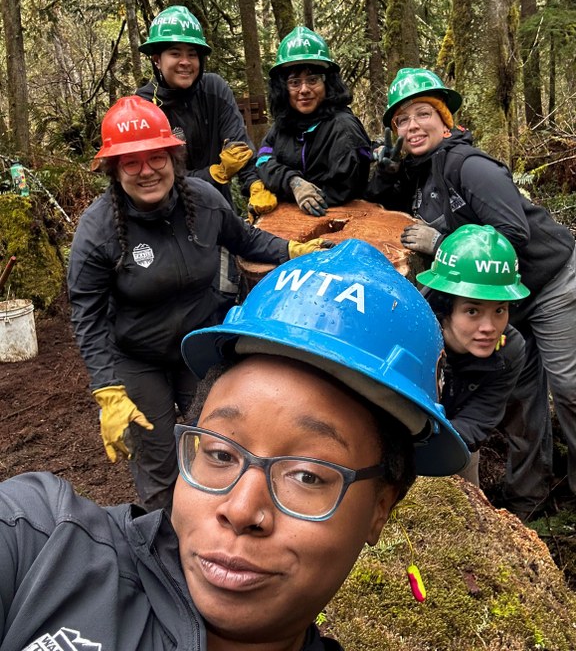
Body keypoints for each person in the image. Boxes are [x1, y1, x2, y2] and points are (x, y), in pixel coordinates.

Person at [1, 239, 469, 651]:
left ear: (379, 509)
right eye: (221, 454)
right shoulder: (40, 544)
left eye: (307, 474)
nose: (241, 510)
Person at [68, 95, 329, 512]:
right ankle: (163, 553)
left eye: (156, 158)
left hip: (199, 345)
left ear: (173, 157)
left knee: (218, 443)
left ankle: (216, 525)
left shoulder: (204, 200)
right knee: (159, 463)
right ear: (114, 170)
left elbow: (245, 240)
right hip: (137, 359)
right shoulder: (97, 231)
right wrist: (107, 390)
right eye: (131, 162)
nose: (147, 171)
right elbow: (87, 314)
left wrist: (293, 250)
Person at [366, 66, 576, 514]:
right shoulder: (422, 177)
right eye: (402, 120)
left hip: (548, 280)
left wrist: (440, 246)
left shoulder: (470, 165)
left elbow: (513, 235)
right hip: (497, 302)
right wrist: (385, 176)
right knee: (523, 397)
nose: (412, 126)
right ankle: (529, 500)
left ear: (446, 122)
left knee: (570, 386)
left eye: (423, 114)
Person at [137, 5, 277, 294]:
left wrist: (254, 186)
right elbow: (155, 183)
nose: (185, 62)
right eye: (175, 53)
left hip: (217, 214)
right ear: (156, 58)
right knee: (181, 295)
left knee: (227, 290)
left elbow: (240, 149)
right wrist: (213, 174)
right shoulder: (144, 107)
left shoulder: (214, 89)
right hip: (165, 223)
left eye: (192, 54)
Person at [417, 224, 531, 489]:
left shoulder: (509, 350)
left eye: (500, 310)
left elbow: (478, 419)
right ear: (446, 309)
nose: (489, 327)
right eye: (472, 311)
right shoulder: (412, 332)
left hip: (458, 442)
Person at [255, 26, 372, 216]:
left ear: (327, 83)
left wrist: (286, 187)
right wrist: (292, 182)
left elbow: (344, 190)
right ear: (283, 88)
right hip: (289, 224)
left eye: (312, 80)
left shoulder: (343, 127)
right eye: (294, 83)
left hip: (342, 225)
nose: (304, 89)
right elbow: (263, 161)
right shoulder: (282, 126)